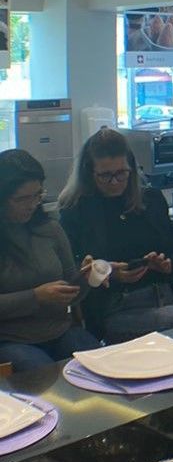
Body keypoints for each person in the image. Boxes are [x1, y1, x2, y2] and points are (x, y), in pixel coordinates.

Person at [59, 127, 173, 342]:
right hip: (115, 308)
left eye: (121, 173)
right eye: (105, 175)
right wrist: (107, 273)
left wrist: (167, 264)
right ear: (89, 174)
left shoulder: (151, 200)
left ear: (132, 170)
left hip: (165, 296)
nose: (115, 181)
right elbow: (72, 273)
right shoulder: (76, 211)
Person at [0, 149, 100, 372]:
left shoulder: (50, 229)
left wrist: (85, 278)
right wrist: (35, 297)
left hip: (59, 330)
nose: (32, 204)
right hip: (10, 339)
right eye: (22, 199)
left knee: (100, 364)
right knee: (45, 374)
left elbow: (71, 294)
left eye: (37, 195)